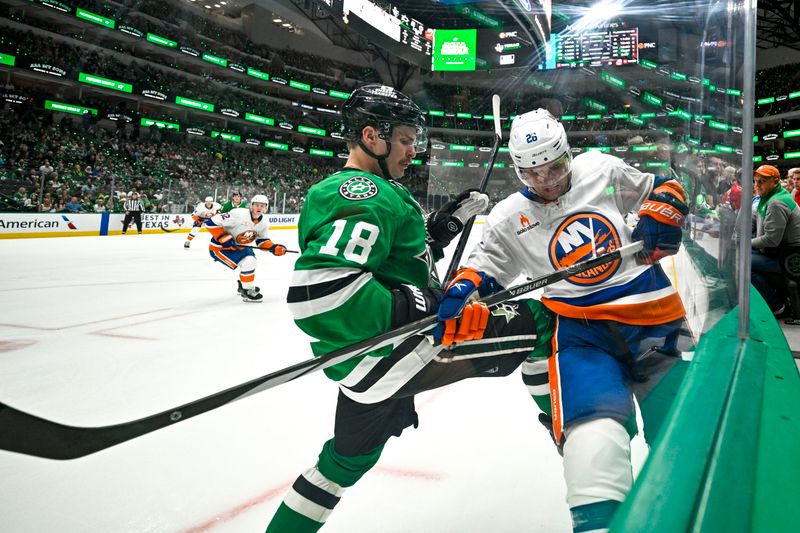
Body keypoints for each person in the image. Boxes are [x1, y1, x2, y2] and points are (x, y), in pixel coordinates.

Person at [265, 85, 555, 532]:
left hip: (360, 369)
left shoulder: (373, 190)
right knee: (543, 323)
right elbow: (320, 296)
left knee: (345, 461)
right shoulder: (362, 190)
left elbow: (390, 267)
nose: (412, 149)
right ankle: (562, 429)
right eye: (403, 138)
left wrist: (439, 233)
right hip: (396, 357)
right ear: (370, 136)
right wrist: (426, 304)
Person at [459, 109, 690, 531]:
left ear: (569, 153)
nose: (546, 180)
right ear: (518, 171)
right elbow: (485, 266)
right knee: (591, 436)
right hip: (581, 334)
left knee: (684, 437)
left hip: (654, 319)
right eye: (533, 174)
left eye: (555, 167)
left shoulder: (602, 167)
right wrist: (464, 289)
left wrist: (667, 207)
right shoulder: (509, 217)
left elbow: (661, 189)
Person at [204, 194, 288, 302]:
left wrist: (273, 247)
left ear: (266, 208)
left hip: (238, 247)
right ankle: (247, 290)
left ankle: (243, 286)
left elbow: (261, 241)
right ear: (251, 205)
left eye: (262, 206)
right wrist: (223, 238)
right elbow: (211, 222)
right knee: (249, 262)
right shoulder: (238, 213)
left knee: (250, 261)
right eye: (257, 205)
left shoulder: (264, 222)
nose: (259, 208)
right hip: (219, 248)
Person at [751, 164, 800, 314]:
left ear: (775, 181)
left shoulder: (776, 202)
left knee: (741, 262)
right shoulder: (771, 197)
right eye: (756, 181)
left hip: (789, 258)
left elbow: (772, 240)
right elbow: (757, 219)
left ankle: (776, 305)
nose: (757, 185)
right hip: (782, 252)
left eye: (762, 181)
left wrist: (746, 242)